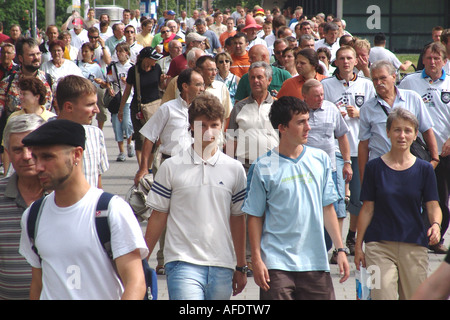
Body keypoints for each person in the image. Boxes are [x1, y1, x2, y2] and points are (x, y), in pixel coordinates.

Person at [18, 119, 148, 300]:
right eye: (36, 157)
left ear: (76, 155)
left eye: (47, 157)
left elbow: (135, 282)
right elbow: (38, 284)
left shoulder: (111, 210)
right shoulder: (33, 215)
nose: (38, 167)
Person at [242, 96, 350, 300]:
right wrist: (256, 259)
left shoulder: (320, 160)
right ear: (282, 127)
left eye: (308, 120)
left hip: (315, 262)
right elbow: (254, 216)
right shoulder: (262, 166)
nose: (308, 127)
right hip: (276, 265)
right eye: (301, 122)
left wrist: (340, 248)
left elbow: (328, 208)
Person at [144, 93, 247, 300]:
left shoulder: (235, 170)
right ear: (191, 126)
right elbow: (158, 216)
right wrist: (141, 260)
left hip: (222, 264)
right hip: (182, 263)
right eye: (202, 125)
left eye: (214, 125)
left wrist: (241, 266)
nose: (208, 132)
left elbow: (238, 219)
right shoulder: (170, 167)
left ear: (221, 127)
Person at [355, 108, 442, 300]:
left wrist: (435, 224)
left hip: (414, 247)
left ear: (414, 135)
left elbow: (433, 205)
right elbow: (367, 208)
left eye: (407, 130)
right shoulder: (373, 167)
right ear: (388, 132)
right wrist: (358, 246)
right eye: (396, 130)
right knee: (380, 296)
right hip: (378, 246)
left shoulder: (425, 169)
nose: (402, 135)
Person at [321, 45, 376, 257]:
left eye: (349, 58)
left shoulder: (366, 85)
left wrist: (359, 113)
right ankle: (337, 246)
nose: (345, 62)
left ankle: (351, 236)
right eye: (341, 58)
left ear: (356, 61)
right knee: (336, 198)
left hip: (360, 148)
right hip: (335, 149)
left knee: (360, 198)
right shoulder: (326, 85)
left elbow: (374, 114)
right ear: (335, 61)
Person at [398, 41, 450, 254]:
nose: (432, 62)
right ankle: (422, 237)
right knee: (421, 196)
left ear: (445, 61)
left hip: (445, 151)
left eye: (437, 58)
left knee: (441, 198)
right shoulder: (410, 82)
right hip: (419, 151)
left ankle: (435, 234)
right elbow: (396, 106)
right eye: (428, 58)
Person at [0, 114, 46, 299]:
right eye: (18, 150)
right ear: (8, 153)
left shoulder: (63, 197)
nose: (26, 156)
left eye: (32, 147)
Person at [56, 75, 109, 189]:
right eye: (90, 104)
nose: (97, 110)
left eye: (96, 103)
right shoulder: (43, 137)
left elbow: (97, 181)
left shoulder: (95, 134)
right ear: (69, 107)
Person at [227, 61, 279, 172]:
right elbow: (231, 140)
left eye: (260, 77)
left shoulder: (278, 106)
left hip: (273, 165)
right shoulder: (239, 107)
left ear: (269, 80)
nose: (255, 81)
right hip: (245, 167)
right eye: (252, 77)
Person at [118, 47, 166, 165]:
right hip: (138, 107)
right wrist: (121, 109)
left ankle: (148, 167)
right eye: (153, 59)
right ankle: (141, 167)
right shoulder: (134, 71)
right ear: (145, 59)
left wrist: (163, 81)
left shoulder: (157, 68)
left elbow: (162, 87)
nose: (155, 61)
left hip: (154, 107)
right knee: (140, 138)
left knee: (154, 138)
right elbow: (127, 91)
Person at [103, 42, 134, 162]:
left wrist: (128, 81)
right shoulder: (112, 67)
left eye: (121, 51)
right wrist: (109, 87)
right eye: (117, 52)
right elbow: (108, 80)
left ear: (127, 53)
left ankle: (130, 143)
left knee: (127, 123)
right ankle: (121, 151)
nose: (119, 54)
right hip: (116, 98)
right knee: (117, 126)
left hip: (129, 98)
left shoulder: (132, 66)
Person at [195, 55, 232, 119]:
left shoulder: (221, 87)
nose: (214, 73)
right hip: (197, 127)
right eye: (210, 70)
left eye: (215, 70)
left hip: (217, 128)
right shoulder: (191, 88)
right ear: (199, 71)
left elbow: (228, 116)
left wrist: (228, 129)